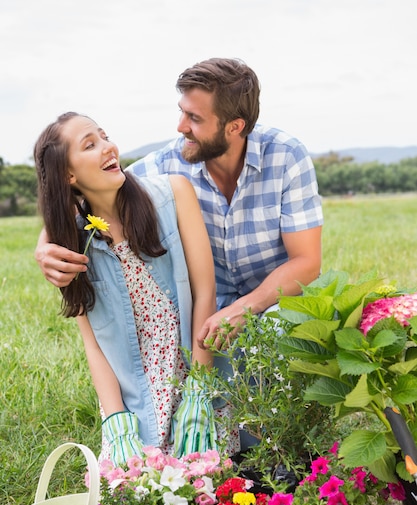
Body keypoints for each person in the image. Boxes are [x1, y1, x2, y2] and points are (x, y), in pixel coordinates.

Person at [35, 57, 323, 349]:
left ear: (235, 127)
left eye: (195, 119)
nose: (181, 127)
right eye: (182, 112)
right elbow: (92, 188)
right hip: (209, 317)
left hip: (278, 300)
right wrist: (45, 244)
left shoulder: (286, 156)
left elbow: (307, 262)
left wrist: (245, 308)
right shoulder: (167, 165)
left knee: (280, 337)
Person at [33, 111, 233, 464]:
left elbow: (205, 293)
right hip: (135, 396)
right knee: (134, 493)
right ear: (69, 174)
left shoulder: (174, 193)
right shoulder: (71, 248)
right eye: (90, 144)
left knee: (206, 480)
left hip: (192, 375)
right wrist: (116, 421)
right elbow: (93, 343)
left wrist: (198, 393)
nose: (108, 147)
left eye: (105, 136)